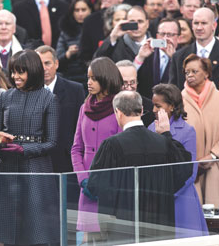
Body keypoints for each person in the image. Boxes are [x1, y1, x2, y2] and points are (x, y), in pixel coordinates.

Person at [0, 49, 60, 245]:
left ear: (33, 71)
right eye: (13, 71)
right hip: (6, 167)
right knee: (1, 227)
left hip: (36, 170)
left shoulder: (49, 99)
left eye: (21, 72)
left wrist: (25, 150)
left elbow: (52, 142)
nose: (15, 76)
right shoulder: (5, 97)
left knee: (35, 229)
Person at [86, 90, 192, 244]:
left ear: (118, 112)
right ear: (142, 111)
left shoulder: (112, 145)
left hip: (123, 228)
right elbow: (184, 170)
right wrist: (166, 135)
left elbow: (96, 185)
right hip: (160, 226)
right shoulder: (163, 143)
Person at [71, 57, 122, 244]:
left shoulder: (120, 107)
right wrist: (83, 179)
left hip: (111, 186)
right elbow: (76, 148)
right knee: (88, 239)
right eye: (88, 78)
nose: (88, 82)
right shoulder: (84, 107)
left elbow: (121, 151)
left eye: (93, 78)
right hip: (87, 187)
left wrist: (106, 182)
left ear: (105, 79)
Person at [148, 83, 208, 238]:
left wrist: (166, 195)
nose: (153, 110)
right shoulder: (150, 129)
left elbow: (191, 174)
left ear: (172, 107)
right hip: (157, 201)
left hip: (181, 201)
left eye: (158, 106)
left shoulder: (187, 131)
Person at [36, 45, 85, 173]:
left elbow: (79, 127)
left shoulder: (75, 90)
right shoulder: (28, 92)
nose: (44, 69)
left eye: (47, 63)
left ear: (56, 64)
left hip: (66, 160)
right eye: (39, 64)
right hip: (38, 159)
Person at [181, 54, 219, 207]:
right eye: (186, 72)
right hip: (190, 169)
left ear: (207, 73)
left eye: (194, 71)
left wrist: (213, 154)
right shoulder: (179, 100)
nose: (189, 75)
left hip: (215, 165)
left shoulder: (218, 98)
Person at [169, 7, 219, 90]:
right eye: (196, 23)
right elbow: (173, 91)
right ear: (192, 25)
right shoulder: (178, 57)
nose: (199, 28)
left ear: (214, 25)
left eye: (204, 23)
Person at [134, 18, 180, 99]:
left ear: (178, 37)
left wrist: (174, 59)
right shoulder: (147, 53)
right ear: (157, 36)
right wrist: (140, 57)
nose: (166, 38)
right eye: (162, 34)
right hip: (146, 104)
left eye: (170, 35)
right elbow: (131, 75)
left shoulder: (183, 56)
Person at [56, 0, 93, 86]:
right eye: (77, 10)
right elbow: (57, 59)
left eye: (83, 10)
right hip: (71, 76)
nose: (80, 14)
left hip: (93, 75)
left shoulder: (97, 28)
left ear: (90, 10)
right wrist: (68, 54)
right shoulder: (66, 30)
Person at [116, 60, 155, 127]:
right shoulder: (106, 106)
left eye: (132, 82)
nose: (129, 88)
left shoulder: (149, 107)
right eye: (124, 83)